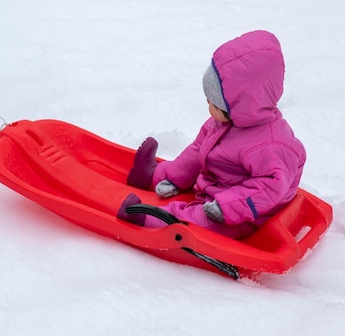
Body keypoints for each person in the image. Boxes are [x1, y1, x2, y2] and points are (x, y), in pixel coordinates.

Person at [118, 30, 306, 239]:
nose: (208, 105)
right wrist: (172, 178)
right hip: (215, 186)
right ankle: (149, 175)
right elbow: (197, 151)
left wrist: (226, 206)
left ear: (239, 105)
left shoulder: (273, 146)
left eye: (213, 102)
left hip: (242, 216)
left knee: (197, 222)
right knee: (179, 168)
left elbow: (267, 190)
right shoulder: (222, 123)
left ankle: (149, 219)